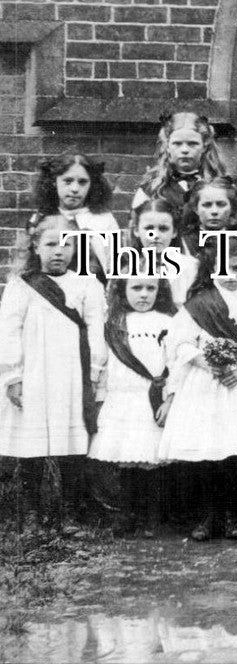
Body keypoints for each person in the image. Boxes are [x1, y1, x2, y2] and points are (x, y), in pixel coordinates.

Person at [157, 238, 237, 541]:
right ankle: (209, 515)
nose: (230, 275)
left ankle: (236, 514)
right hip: (204, 385)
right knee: (209, 451)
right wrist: (204, 362)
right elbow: (179, 341)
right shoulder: (198, 304)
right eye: (222, 268)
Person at [0, 215, 106, 534]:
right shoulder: (21, 285)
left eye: (66, 244)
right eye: (50, 244)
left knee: (71, 447)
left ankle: (69, 513)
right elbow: (8, 331)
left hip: (73, 375)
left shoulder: (87, 284)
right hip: (33, 374)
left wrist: (95, 372)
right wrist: (13, 377)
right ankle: (32, 513)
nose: (58, 251)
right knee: (31, 449)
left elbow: (97, 330)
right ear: (36, 246)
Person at [90, 277, 175, 536]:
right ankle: (127, 514)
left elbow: (175, 363)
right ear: (122, 290)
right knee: (126, 458)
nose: (143, 295)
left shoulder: (167, 322)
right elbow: (105, 363)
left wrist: (170, 399)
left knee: (150, 458)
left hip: (151, 399)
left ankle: (152, 517)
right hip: (122, 398)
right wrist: (101, 397)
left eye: (151, 288)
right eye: (136, 288)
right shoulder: (113, 324)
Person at [30, 152, 120, 279]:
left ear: (91, 185)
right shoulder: (40, 219)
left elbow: (112, 265)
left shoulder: (104, 220)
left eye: (82, 182)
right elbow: (30, 264)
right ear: (54, 182)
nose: (75, 188)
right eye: (68, 181)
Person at [133, 111, 225, 213]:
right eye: (177, 144)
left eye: (192, 144)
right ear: (167, 146)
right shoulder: (151, 189)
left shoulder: (219, 185)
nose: (184, 150)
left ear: (204, 146)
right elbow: (136, 225)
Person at [129, 199, 197, 306]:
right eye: (149, 228)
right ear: (136, 230)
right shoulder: (128, 269)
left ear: (174, 232)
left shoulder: (190, 266)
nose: (156, 235)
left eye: (163, 229)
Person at [179, 176, 237, 257]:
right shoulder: (184, 241)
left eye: (221, 205)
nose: (214, 211)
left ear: (232, 207)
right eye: (207, 205)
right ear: (196, 208)